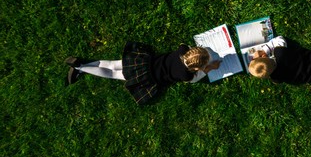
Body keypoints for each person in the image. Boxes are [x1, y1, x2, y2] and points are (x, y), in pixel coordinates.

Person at [65, 42, 221, 105]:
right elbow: (195, 78)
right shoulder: (186, 75)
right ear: (196, 68)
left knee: (112, 64)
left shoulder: (182, 50)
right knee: (112, 74)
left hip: (143, 63)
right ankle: (80, 68)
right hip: (146, 76)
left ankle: (81, 63)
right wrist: (210, 68)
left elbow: (184, 45)